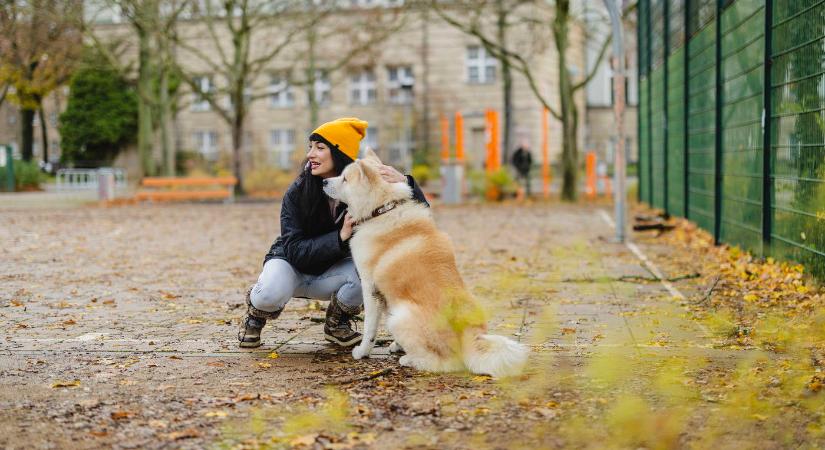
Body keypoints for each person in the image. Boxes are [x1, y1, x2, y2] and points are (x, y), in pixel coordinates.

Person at [238, 117, 429, 348]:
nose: (310, 154)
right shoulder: (297, 192)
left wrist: (405, 182)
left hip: (332, 271)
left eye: (320, 148)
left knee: (368, 275)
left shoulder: (363, 191)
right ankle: (255, 317)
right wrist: (340, 237)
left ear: (339, 155)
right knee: (269, 293)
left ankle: (337, 323)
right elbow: (294, 250)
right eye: (310, 147)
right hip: (291, 266)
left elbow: (413, 219)